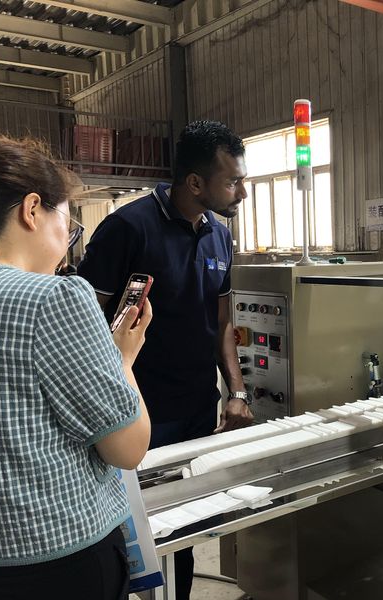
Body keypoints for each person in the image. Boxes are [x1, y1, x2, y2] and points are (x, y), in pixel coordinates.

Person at [0, 137, 152, 600]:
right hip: (62, 562)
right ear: (32, 210)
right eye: (67, 222)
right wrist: (122, 359)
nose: (67, 240)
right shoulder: (54, 298)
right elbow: (128, 448)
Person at [78, 120, 253, 599]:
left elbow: (221, 324)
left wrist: (236, 391)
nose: (242, 192)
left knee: (184, 526)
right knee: (133, 530)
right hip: (137, 412)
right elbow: (86, 324)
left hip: (196, 406)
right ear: (195, 182)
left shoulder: (219, 237)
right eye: (233, 181)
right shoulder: (128, 229)